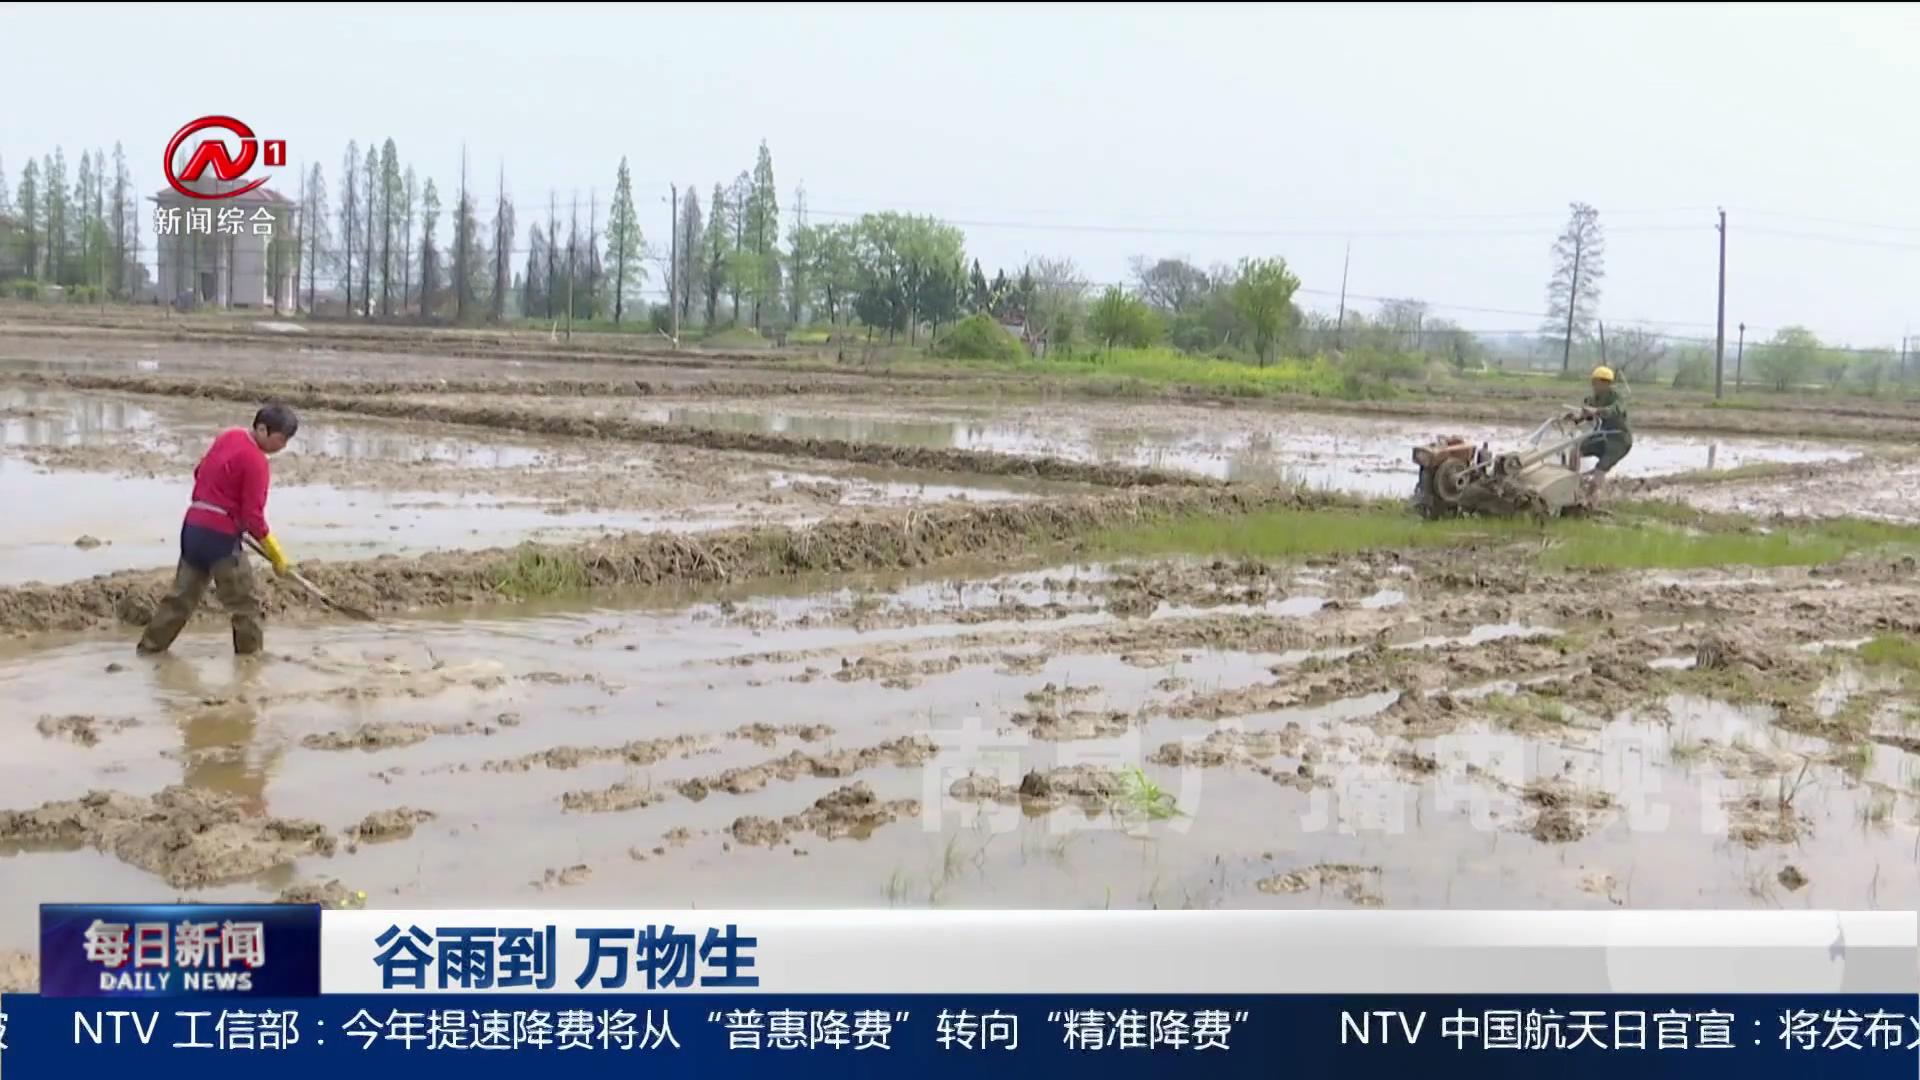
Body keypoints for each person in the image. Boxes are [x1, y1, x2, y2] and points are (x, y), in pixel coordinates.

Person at [137, 405, 298, 656]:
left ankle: (149, 649)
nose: (283, 446)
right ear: (262, 429)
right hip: (220, 539)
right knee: (245, 605)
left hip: (193, 529)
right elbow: (253, 517)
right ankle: (249, 663)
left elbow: (199, 472)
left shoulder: (228, 436)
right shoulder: (257, 461)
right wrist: (274, 552)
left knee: (180, 599)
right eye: (281, 439)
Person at [1573, 365, 1631, 491]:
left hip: (1618, 440)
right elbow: (1585, 415)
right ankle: (1572, 482)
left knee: (1600, 469)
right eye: (1593, 382)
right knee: (1576, 450)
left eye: (1598, 383)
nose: (1594, 386)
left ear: (1607, 384)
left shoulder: (1617, 398)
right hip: (1603, 437)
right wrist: (1576, 417)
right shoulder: (1592, 399)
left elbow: (1613, 410)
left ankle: (1594, 499)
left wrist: (1597, 411)